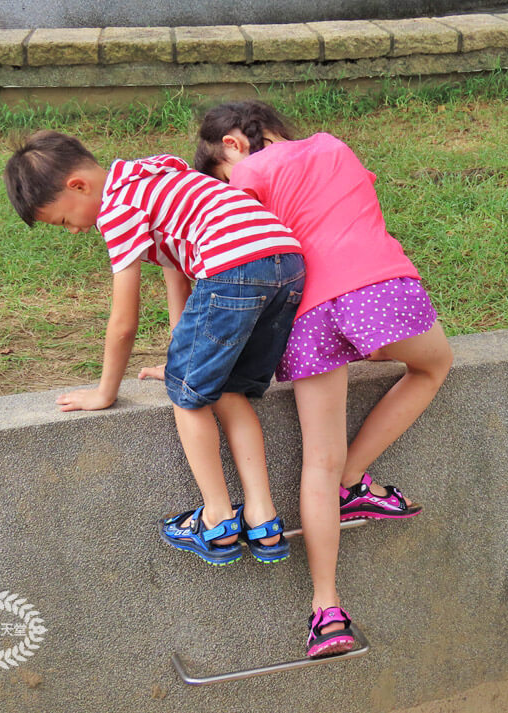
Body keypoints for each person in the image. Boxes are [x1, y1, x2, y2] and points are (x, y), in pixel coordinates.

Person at [191, 101, 453, 658]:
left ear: (232, 146)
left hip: (307, 316)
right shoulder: (334, 144)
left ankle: (326, 611)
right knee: (433, 365)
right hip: (378, 293)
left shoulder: (247, 177)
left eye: (221, 173)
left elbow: (238, 258)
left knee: (317, 460)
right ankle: (356, 481)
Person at [3, 130, 305, 567]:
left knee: (188, 399)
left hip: (232, 266)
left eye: (64, 221)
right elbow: (178, 272)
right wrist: (184, 356)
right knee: (229, 389)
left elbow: (124, 321)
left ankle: (218, 522)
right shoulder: (154, 174)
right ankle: (263, 520)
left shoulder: (116, 210)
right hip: (285, 262)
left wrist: (105, 392)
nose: (72, 231)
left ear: (78, 186)